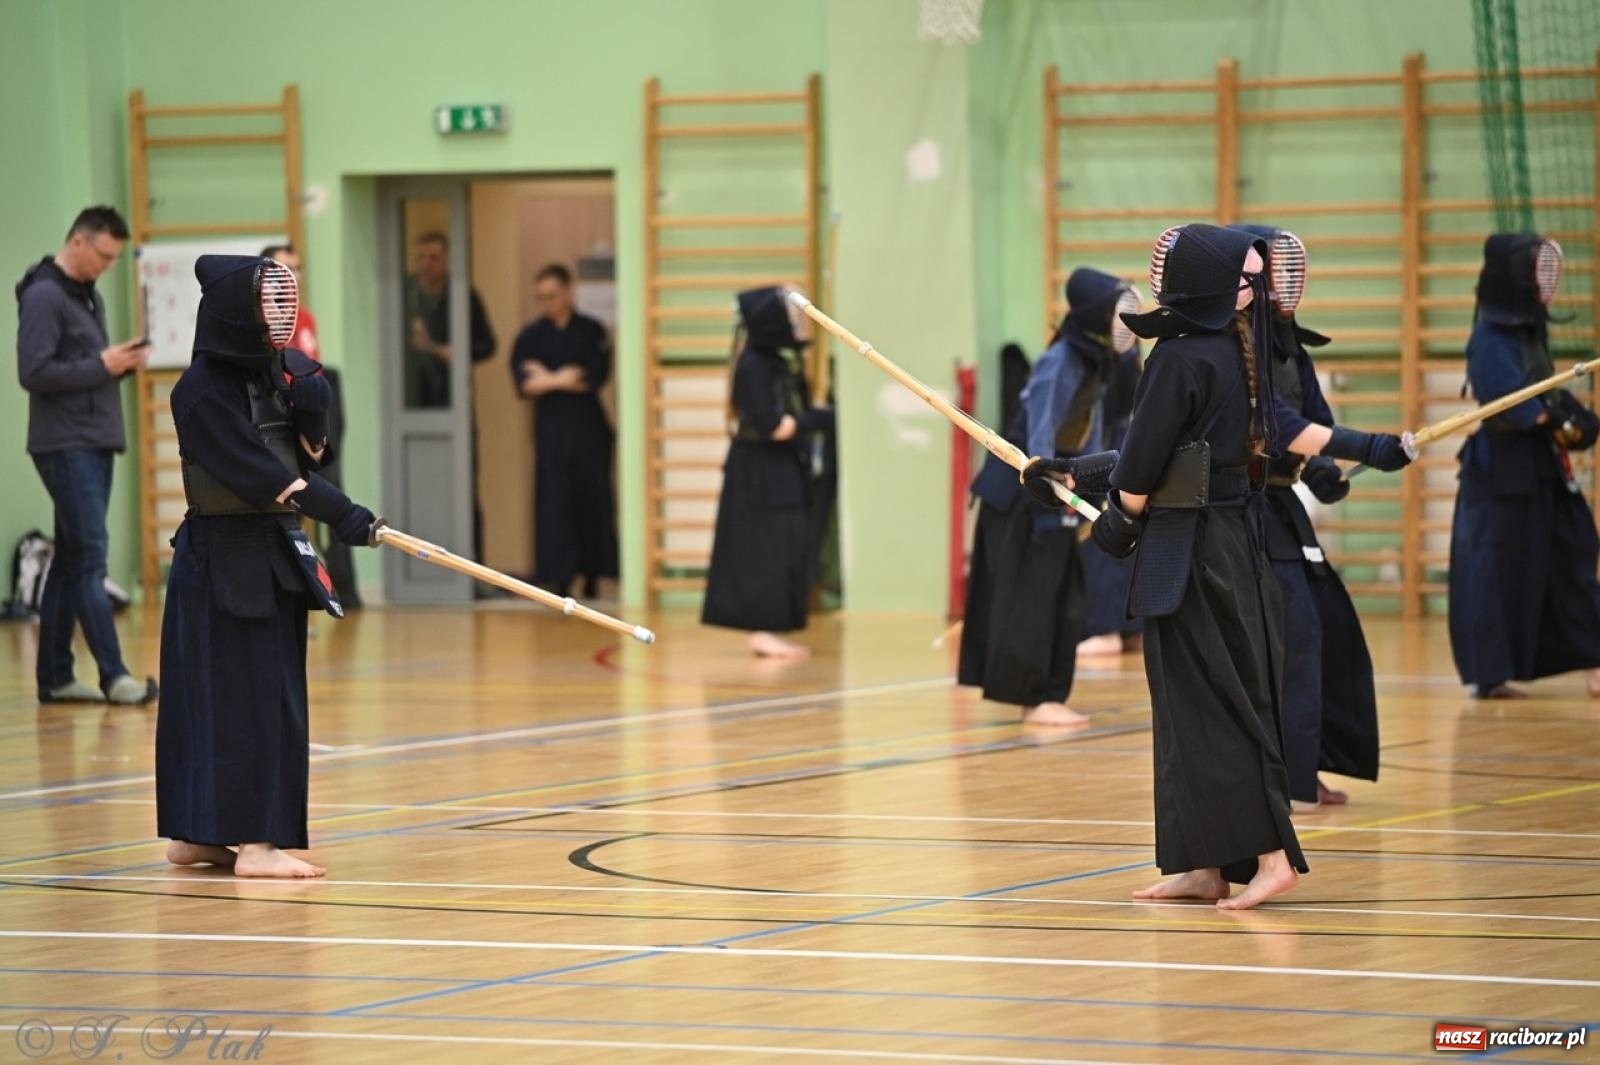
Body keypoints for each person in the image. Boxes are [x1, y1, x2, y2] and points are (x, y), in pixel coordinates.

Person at [1026, 223, 1409, 908]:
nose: (1258, 290)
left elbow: (1144, 464)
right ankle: (1200, 862)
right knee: (1186, 707)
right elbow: (1174, 452)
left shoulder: (1179, 357)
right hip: (1226, 541)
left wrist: (1119, 517)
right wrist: (1075, 473)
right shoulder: (1238, 350)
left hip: (1196, 548)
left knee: (1217, 704)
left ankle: (1269, 856)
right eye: (1249, 278)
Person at [156, 254, 382, 878]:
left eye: (284, 300)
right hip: (221, 559)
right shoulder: (199, 392)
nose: (280, 312)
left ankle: (202, 835)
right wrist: (344, 513)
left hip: (273, 553)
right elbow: (264, 477)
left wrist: (315, 419)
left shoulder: (276, 372)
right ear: (236, 309)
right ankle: (251, 844)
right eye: (267, 301)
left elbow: (307, 455)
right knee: (229, 700)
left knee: (271, 695)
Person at [1231, 223, 1381, 810]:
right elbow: (1277, 423)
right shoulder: (1235, 346)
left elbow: (1311, 415)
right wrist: (1364, 446)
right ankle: (1282, 780)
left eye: (1294, 269)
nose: (1287, 282)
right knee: (1288, 640)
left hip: (1281, 508)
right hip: (1243, 514)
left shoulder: (1289, 342)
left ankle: (1302, 767)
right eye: (1276, 270)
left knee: (1323, 634)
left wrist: (1320, 471)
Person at [959, 268, 1135, 725]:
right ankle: (1033, 697)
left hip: (1060, 491)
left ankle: (1049, 691)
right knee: (1032, 597)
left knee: (1066, 594)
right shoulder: (1061, 361)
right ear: (1098, 315)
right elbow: (1039, 440)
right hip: (1024, 493)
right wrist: (1045, 503)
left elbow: (1088, 436)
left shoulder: (1098, 361)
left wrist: (1090, 491)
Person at [15, 205, 158, 706]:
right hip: (65, 443)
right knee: (91, 557)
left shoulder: (83, 295)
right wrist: (101, 363)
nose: (105, 265)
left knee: (72, 557)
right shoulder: (44, 295)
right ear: (77, 241)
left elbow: (76, 368)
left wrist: (115, 365)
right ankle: (115, 675)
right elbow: (33, 373)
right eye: (102, 255)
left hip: (92, 439)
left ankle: (55, 676)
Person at [1448, 234, 1600, 698]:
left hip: (1540, 468)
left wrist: (1572, 414)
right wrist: (1556, 416)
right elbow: (1518, 407)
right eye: (1536, 268)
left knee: (1574, 550)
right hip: (1499, 473)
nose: (1545, 278)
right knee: (1493, 574)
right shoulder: (1489, 339)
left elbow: (1544, 392)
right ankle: (1490, 675)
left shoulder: (1530, 331)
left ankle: (1594, 659)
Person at [702, 285, 832, 658]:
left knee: (786, 543)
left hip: (780, 465)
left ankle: (773, 626)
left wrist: (814, 413)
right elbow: (776, 426)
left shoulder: (777, 360)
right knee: (766, 547)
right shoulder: (754, 365)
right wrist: (822, 419)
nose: (800, 322)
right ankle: (761, 630)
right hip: (759, 469)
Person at [510, 263, 618, 597]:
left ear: (569, 291)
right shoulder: (530, 336)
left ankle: (592, 574)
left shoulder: (592, 331)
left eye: (552, 296)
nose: (546, 303)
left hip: (588, 429)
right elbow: (525, 384)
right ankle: (557, 576)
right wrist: (561, 379)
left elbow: (590, 379)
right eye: (540, 297)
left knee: (591, 500)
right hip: (551, 430)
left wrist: (546, 378)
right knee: (554, 503)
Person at [263, 243, 358, 608]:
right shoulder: (260, 319)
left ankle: (324, 590)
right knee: (285, 509)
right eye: (286, 268)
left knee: (321, 500)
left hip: (305, 418)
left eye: (298, 268)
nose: (294, 276)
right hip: (275, 422)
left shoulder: (305, 318)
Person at [403, 231, 496, 565]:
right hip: (413, 404)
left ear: (447, 260)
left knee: (464, 488)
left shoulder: (463, 296)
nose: (426, 264)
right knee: (421, 490)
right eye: (421, 258)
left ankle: (474, 572)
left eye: (433, 258)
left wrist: (454, 352)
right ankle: (423, 570)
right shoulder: (406, 295)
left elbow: (488, 345)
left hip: (453, 404)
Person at [1075, 337, 1145, 658]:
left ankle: (1110, 629)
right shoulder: (1106, 354)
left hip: (1112, 454)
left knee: (1107, 543)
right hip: (1112, 449)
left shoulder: (1122, 357)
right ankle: (1129, 630)